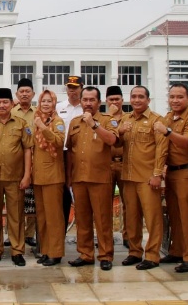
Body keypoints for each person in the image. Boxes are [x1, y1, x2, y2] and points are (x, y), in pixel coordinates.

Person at [66, 87, 119, 271]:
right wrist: (69, 177)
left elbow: (112, 140)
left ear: (99, 102)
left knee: (103, 219)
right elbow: (70, 152)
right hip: (79, 178)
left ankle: (105, 255)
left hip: (99, 178)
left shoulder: (107, 120)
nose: (88, 103)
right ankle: (85, 254)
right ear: (80, 101)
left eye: (92, 100)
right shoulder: (74, 122)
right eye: (85, 100)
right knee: (82, 219)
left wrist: (95, 125)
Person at [0, 88, 33, 267]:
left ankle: (17, 250)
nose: (1, 105)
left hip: (15, 176)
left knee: (16, 215)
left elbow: (27, 150)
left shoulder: (21, 124)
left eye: (5, 102)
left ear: (11, 104)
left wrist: (27, 175)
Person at [153, 83, 188, 273]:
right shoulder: (168, 117)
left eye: (180, 97)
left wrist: (167, 132)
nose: (175, 100)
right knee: (174, 214)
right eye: (172, 96)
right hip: (172, 171)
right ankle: (177, 251)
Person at [119, 85, 168, 270]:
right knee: (131, 217)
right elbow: (117, 143)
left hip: (147, 178)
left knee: (152, 218)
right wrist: (120, 131)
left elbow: (161, 149)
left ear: (148, 99)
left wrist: (157, 174)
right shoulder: (125, 120)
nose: (137, 100)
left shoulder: (156, 120)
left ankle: (153, 255)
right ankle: (134, 251)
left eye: (141, 97)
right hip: (129, 177)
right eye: (134, 96)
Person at [31, 90, 66, 266]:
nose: (45, 104)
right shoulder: (37, 120)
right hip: (38, 176)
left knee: (54, 217)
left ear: (54, 103)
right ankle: (45, 250)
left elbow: (59, 142)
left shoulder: (57, 121)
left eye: (49, 101)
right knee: (42, 217)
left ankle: (56, 252)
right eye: (43, 101)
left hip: (53, 175)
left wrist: (44, 128)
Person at [11, 78, 37, 247]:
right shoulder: (11, 112)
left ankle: (30, 234)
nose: (25, 94)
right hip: (17, 163)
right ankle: (14, 234)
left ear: (33, 94)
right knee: (16, 200)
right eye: (22, 92)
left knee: (33, 200)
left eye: (28, 91)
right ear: (17, 94)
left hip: (37, 161)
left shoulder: (39, 112)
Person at [56, 75, 84, 232]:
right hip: (61, 155)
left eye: (75, 87)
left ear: (81, 88)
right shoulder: (59, 107)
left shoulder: (86, 108)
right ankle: (62, 231)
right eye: (69, 87)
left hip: (80, 155)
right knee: (63, 193)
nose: (72, 91)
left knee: (80, 192)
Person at [105, 86, 128, 247]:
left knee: (128, 202)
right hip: (106, 163)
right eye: (111, 99)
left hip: (125, 163)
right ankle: (106, 237)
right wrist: (111, 115)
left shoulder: (129, 117)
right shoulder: (103, 118)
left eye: (117, 99)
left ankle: (127, 236)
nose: (114, 102)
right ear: (106, 101)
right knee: (104, 203)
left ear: (122, 100)